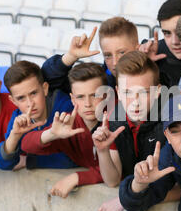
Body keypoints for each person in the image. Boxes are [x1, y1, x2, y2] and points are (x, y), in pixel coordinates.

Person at [94, 51, 181, 211]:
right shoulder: (113, 120)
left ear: (157, 91)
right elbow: (112, 181)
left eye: (143, 93)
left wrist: (123, 200)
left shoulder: (171, 121)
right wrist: (103, 151)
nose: (135, 101)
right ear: (118, 92)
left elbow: (179, 188)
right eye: (127, 93)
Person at [21, 63, 115, 197]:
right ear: (72, 99)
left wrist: (77, 177)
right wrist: (51, 134)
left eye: (94, 95)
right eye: (80, 97)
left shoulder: (116, 120)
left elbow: (119, 171)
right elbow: (26, 145)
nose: (87, 104)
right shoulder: (70, 123)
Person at [41, 18, 165, 95]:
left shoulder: (153, 75)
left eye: (122, 52)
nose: (115, 62)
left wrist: (148, 64)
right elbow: (47, 80)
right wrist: (70, 56)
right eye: (108, 55)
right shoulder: (98, 81)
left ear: (137, 48)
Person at [0, 60, 76, 170]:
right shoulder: (18, 118)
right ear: (13, 101)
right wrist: (14, 136)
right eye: (21, 98)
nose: (30, 103)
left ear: (45, 89)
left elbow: (77, 157)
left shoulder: (66, 107)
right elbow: (2, 164)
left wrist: (30, 160)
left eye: (33, 93)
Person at [139, 0, 181, 87]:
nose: (174, 41)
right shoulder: (153, 53)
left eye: (180, 31)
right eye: (167, 33)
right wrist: (143, 64)